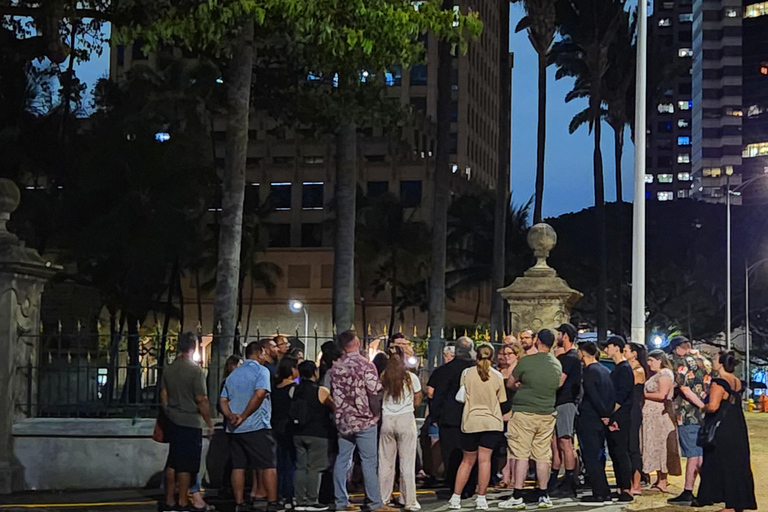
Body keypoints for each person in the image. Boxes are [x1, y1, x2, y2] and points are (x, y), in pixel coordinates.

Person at [327, 331, 394, 512]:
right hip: (364, 420)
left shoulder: (336, 367)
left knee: (342, 460)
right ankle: (375, 502)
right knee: (369, 462)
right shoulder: (366, 366)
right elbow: (374, 392)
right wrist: (375, 414)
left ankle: (341, 501)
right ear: (356, 342)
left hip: (343, 420)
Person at [499, 329, 561, 510]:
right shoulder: (556, 364)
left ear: (537, 341)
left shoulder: (526, 361)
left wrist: (522, 387)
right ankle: (544, 494)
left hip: (524, 412)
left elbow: (510, 383)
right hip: (547, 413)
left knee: (521, 454)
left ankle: (517, 496)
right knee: (542, 455)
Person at [219, 341, 280, 512]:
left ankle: (239, 503)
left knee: (238, 465)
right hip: (256, 425)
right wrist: (244, 415)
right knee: (268, 464)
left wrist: (230, 415)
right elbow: (260, 394)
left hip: (234, 428)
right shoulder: (261, 371)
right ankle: (272, 502)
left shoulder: (233, 374)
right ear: (260, 353)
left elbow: (223, 399)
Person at [448, 344, 507, 511]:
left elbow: (462, 395)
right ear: (492, 356)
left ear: (476, 356)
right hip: (492, 422)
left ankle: (455, 497)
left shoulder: (466, 373)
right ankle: (481, 498)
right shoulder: (497, 376)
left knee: (467, 461)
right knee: (485, 460)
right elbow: (501, 400)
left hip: (471, 421)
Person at [160, 333, 214, 512]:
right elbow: (201, 399)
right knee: (187, 466)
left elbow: (164, 394)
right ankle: (183, 501)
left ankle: (169, 501)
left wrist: (168, 410)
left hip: (172, 419)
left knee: (172, 462)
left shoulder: (169, 369)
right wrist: (209, 421)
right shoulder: (195, 371)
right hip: (189, 421)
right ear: (193, 348)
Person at [697, 351, 757, 511]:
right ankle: (737, 502)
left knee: (719, 463)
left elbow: (713, 406)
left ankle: (727, 503)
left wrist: (703, 407)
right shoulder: (737, 381)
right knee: (737, 464)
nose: (713, 362)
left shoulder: (719, 382)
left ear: (721, 363)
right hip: (736, 424)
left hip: (722, 428)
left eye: (715, 359)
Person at [428, 337, 476, 496]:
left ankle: (454, 487)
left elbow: (437, 395)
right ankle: (470, 486)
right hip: (471, 416)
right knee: (470, 454)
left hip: (449, 418)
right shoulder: (476, 370)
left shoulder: (443, 370)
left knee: (450, 454)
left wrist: (435, 416)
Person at [667, 336, 710, 507]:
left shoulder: (682, 362)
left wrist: (700, 406)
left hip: (687, 413)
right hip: (703, 416)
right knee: (700, 453)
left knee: (693, 454)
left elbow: (684, 389)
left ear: (678, 348)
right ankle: (708, 488)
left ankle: (688, 491)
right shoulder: (704, 361)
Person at [379, 346, 423, 511]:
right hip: (405, 419)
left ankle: (383, 498)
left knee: (385, 462)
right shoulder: (411, 378)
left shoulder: (384, 377)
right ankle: (409, 500)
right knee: (407, 463)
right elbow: (418, 400)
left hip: (387, 420)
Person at [576, 341, 615, 506]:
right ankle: (604, 490)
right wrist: (607, 414)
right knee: (599, 455)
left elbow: (593, 395)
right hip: (601, 419)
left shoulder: (590, 371)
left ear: (583, 353)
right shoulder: (605, 370)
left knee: (591, 456)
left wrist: (602, 413)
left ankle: (599, 492)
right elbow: (610, 394)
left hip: (590, 418)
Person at [292, 361, 335, 512]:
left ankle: (299, 500)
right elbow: (333, 407)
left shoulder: (294, 390)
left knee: (300, 467)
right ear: (314, 372)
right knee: (315, 468)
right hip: (318, 433)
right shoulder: (321, 391)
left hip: (298, 433)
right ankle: (312, 500)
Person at [549, 323, 581, 499]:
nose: (557, 337)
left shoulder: (570, 359)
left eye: (559, 334)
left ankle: (570, 480)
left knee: (565, 442)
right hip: (559, 403)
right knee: (557, 443)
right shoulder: (566, 358)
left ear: (566, 336)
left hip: (565, 403)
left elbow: (559, 382)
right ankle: (557, 478)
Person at [642, 350, 680, 493]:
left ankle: (663, 480)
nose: (649, 363)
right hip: (651, 416)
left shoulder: (664, 374)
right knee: (655, 445)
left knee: (662, 446)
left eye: (651, 360)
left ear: (659, 360)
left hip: (659, 415)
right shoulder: (657, 375)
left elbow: (662, 394)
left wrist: (643, 394)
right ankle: (659, 478)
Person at [604, 336, 634, 503]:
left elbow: (621, 396)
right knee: (615, 452)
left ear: (616, 347)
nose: (606, 350)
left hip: (620, 416)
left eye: (608, 347)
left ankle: (626, 489)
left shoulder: (624, 369)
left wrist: (609, 415)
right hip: (616, 415)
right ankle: (621, 487)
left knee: (621, 452)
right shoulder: (618, 368)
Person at [495, 342, 524, 490]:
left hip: (514, 412)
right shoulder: (498, 372)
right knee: (502, 448)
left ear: (516, 355)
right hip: (499, 413)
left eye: (509, 354)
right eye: (503, 354)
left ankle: (514, 478)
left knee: (515, 448)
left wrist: (511, 413)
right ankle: (504, 476)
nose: (506, 357)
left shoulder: (520, 372)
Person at [272, 356, 300, 505]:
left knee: (280, 464)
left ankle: (280, 494)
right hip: (289, 428)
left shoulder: (275, 388)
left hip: (276, 427)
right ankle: (290, 495)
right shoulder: (293, 388)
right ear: (291, 370)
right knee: (290, 463)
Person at [624, 342, 648, 495]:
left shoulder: (638, 370)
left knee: (633, 446)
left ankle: (637, 483)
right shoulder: (628, 368)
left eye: (626, 351)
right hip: (628, 410)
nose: (623, 353)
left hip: (633, 410)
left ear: (634, 354)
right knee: (626, 446)